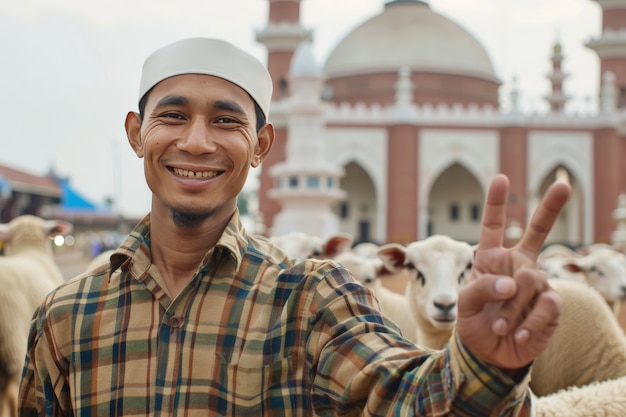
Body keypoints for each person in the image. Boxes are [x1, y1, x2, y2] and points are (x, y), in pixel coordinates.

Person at [18, 37, 571, 416]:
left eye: (226, 120)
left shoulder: (309, 298)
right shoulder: (68, 317)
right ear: (137, 133)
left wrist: (482, 367)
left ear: (261, 146)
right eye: (174, 115)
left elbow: (404, 400)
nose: (196, 142)